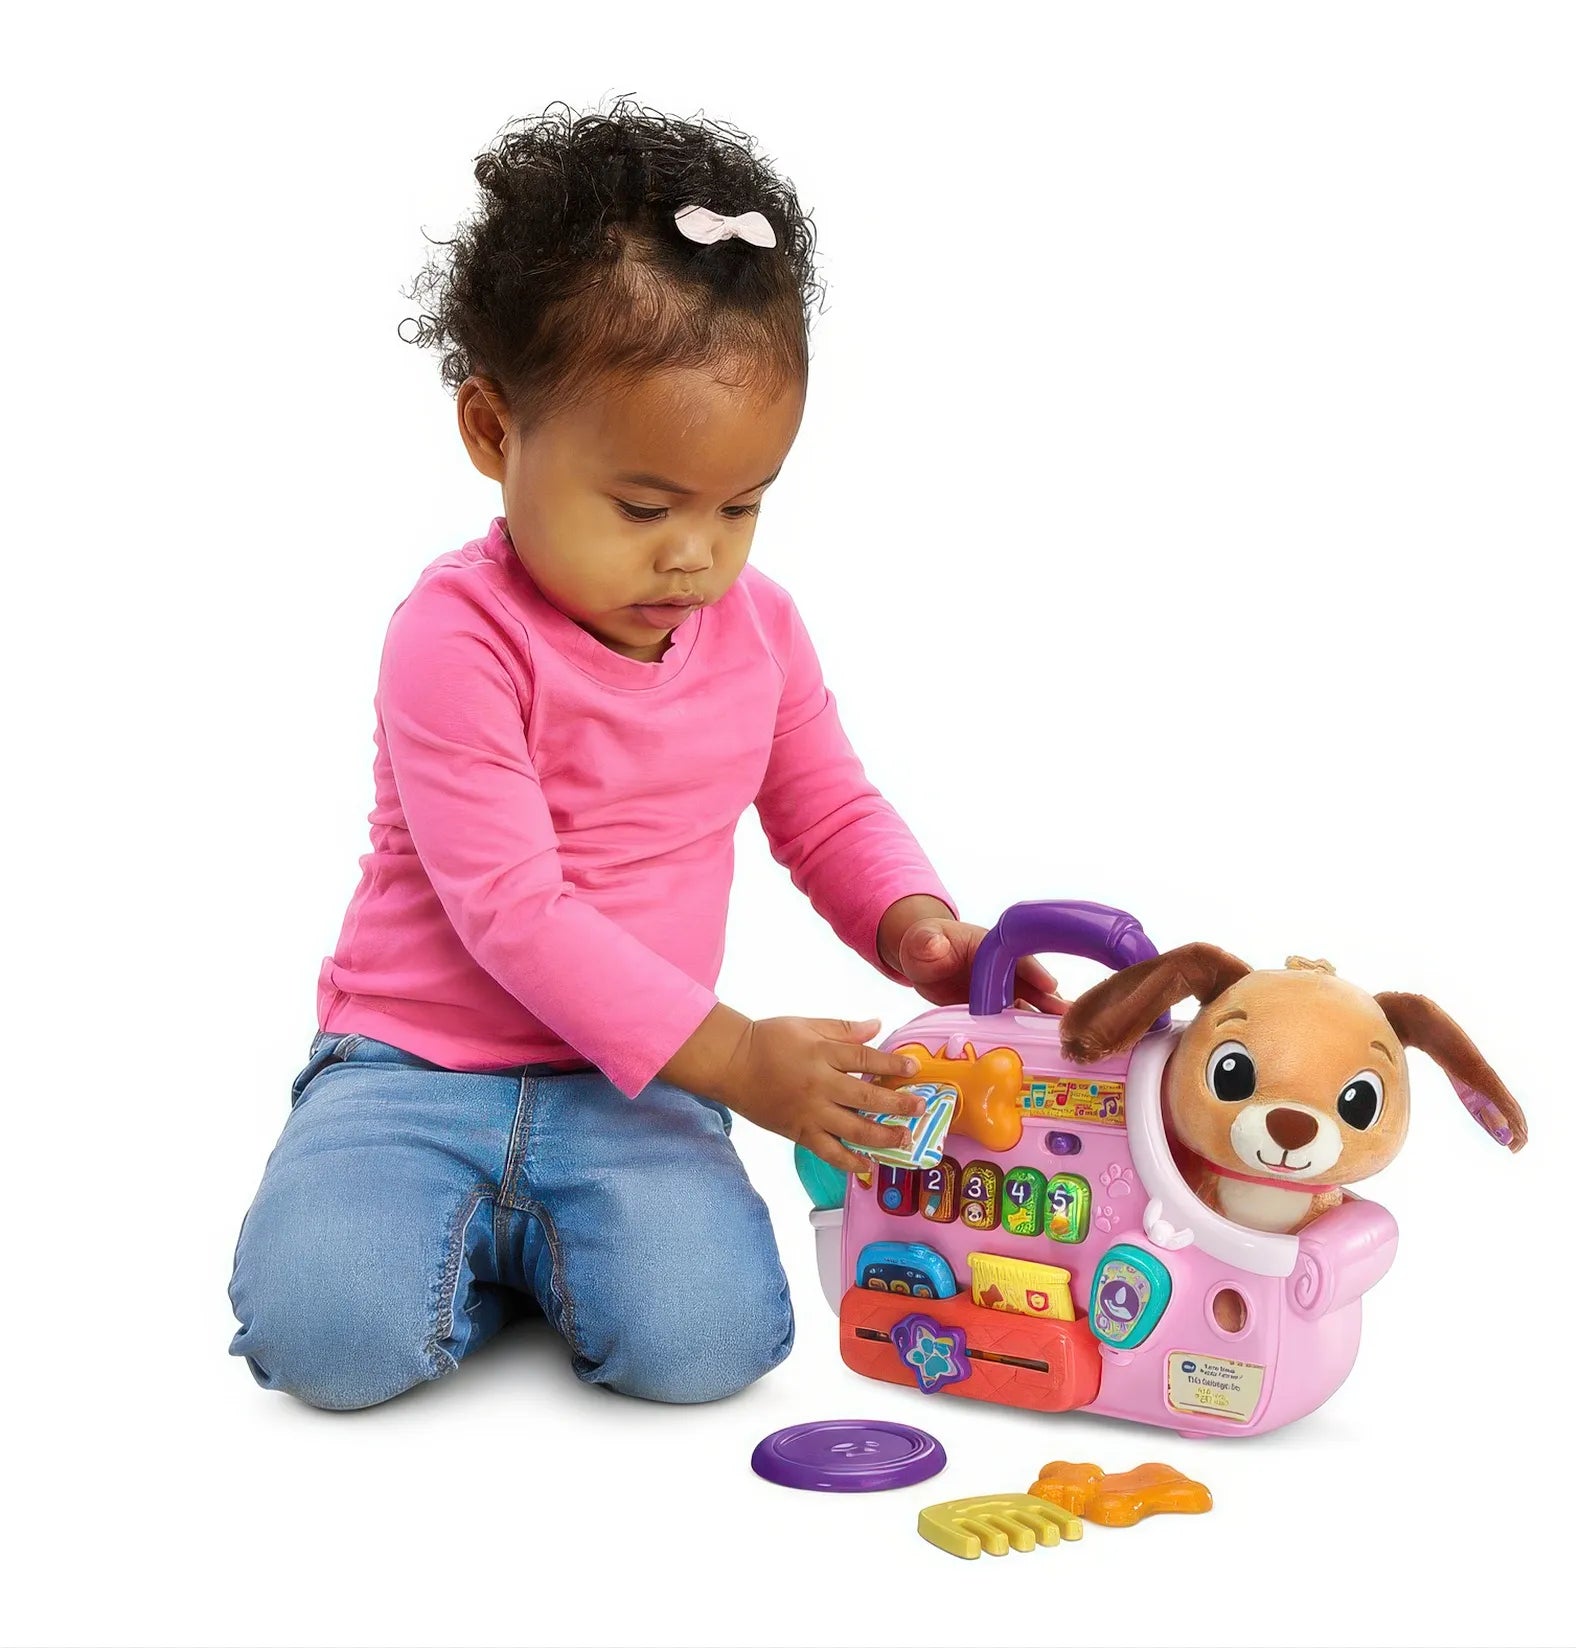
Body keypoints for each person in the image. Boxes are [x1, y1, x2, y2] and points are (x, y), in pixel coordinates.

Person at [229, 99, 1060, 1411]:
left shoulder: (759, 629)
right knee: (331, 1344)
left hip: (638, 1083)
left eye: (741, 506)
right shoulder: (455, 637)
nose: (694, 554)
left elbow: (827, 810)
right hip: (412, 1070)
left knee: (706, 1347)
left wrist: (916, 927)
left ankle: (538, 1248)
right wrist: (738, 1060)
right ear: (494, 433)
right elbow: (513, 911)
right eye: (641, 505)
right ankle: (452, 1241)